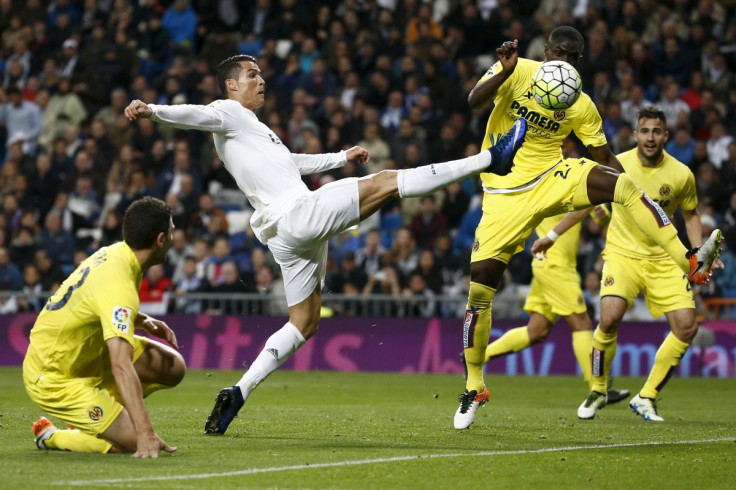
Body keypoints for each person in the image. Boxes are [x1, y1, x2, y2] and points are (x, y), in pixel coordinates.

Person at [124, 54, 528, 435]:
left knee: (304, 323)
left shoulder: (253, 129)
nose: (261, 79)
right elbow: (200, 115)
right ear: (231, 85)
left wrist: (341, 156)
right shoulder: (228, 112)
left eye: (261, 73)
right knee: (387, 181)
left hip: (287, 237)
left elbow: (292, 162)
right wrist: (154, 110)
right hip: (296, 215)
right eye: (251, 75)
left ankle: (237, 392)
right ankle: (490, 159)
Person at [455, 27, 722, 430]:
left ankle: (690, 261)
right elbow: (474, 102)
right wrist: (504, 72)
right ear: (545, 51)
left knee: (623, 184)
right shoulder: (517, 69)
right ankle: (475, 385)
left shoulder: (580, 104)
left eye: (573, 56)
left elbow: (604, 157)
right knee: (479, 289)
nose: (564, 60)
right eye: (558, 52)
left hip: (552, 175)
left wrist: (627, 187)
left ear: (578, 61)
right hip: (504, 191)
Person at [535, 107, 722, 421]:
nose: (650, 137)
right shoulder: (616, 165)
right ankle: (598, 390)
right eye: (645, 131)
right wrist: (553, 234)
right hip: (622, 255)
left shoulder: (681, 174)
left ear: (666, 136)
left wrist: (695, 250)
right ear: (636, 135)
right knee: (608, 319)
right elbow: (587, 202)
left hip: (664, 260)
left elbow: (689, 213)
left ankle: (646, 397)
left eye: (656, 131)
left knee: (687, 327)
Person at [23, 197, 186, 457]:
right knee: (132, 442)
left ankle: (98, 414)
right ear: (160, 240)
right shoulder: (119, 281)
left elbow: (96, 301)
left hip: (88, 354)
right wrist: (145, 433)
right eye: (172, 231)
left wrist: (141, 320)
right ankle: (51, 436)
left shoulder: (117, 254)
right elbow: (120, 365)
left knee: (172, 367)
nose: (174, 236)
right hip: (54, 374)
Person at [482, 207, 631, 408]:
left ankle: (475, 358)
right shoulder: (556, 185)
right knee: (581, 324)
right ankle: (598, 389)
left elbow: (598, 217)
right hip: (555, 266)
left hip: (551, 265)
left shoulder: (577, 184)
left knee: (536, 331)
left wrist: (603, 213)